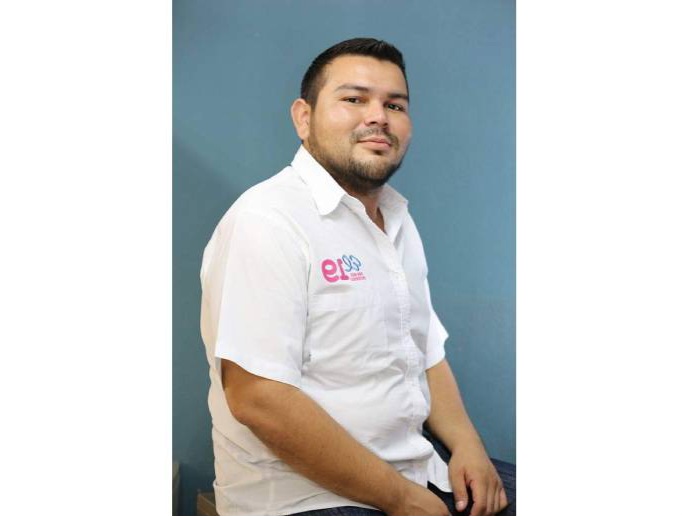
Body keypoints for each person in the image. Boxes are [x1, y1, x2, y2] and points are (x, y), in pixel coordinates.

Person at [200, 38, 513, 516]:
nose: (378, 117)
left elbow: (425, 351)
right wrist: (401, 499)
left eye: (395, 105)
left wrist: (468, 445)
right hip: (304, 499)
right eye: (354, 99)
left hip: (415, 469)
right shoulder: (267, 220)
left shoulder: (397, 220)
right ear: (303, 118)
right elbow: (258, 398)